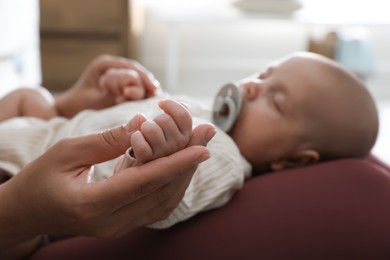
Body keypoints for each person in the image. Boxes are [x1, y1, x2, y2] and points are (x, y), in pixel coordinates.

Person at [0, 51, 379, 230]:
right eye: (263, 74)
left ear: (294, 161)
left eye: (275, 100)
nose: (251, 87)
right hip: (34, 132)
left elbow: (170, 198)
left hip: (17, 173)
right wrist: (120, 93)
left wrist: (150, 160)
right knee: (36, 98)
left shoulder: (221, 156)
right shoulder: (201, 109)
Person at [0, 55, 216, 259]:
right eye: (252, 77)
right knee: (34, 96)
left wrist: (143, 158)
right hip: (33, 140)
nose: (251, 85)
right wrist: (65, 106)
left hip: (22, 183)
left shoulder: (223, 150)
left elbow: (175, 193)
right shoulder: (191, 106)